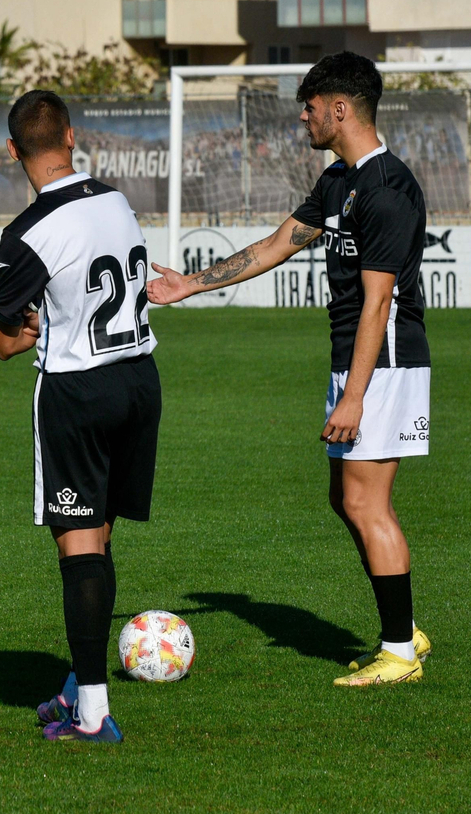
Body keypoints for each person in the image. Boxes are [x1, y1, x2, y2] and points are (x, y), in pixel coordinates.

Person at [146, 51, 432, 687]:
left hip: (382, 364)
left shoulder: (388, 190)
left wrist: (353, 397)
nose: (302, 117)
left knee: (368, 504)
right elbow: (278, 244)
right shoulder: (340, 181)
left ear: (340, 108)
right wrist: (189, 285)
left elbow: (380, 301)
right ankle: (402, 627)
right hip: (358, 362)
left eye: (309, 106)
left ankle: (400, 652)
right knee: (346, 500)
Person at [0, 90, 160, 743]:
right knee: (99, 535)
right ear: (71, 136)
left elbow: (8, 340)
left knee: (78, 545)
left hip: (79, 389)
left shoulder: (26, 233)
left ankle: (92, 714)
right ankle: (76, 685)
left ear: (13, 151)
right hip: (141, 380)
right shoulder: (115, 199)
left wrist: (10, 329)